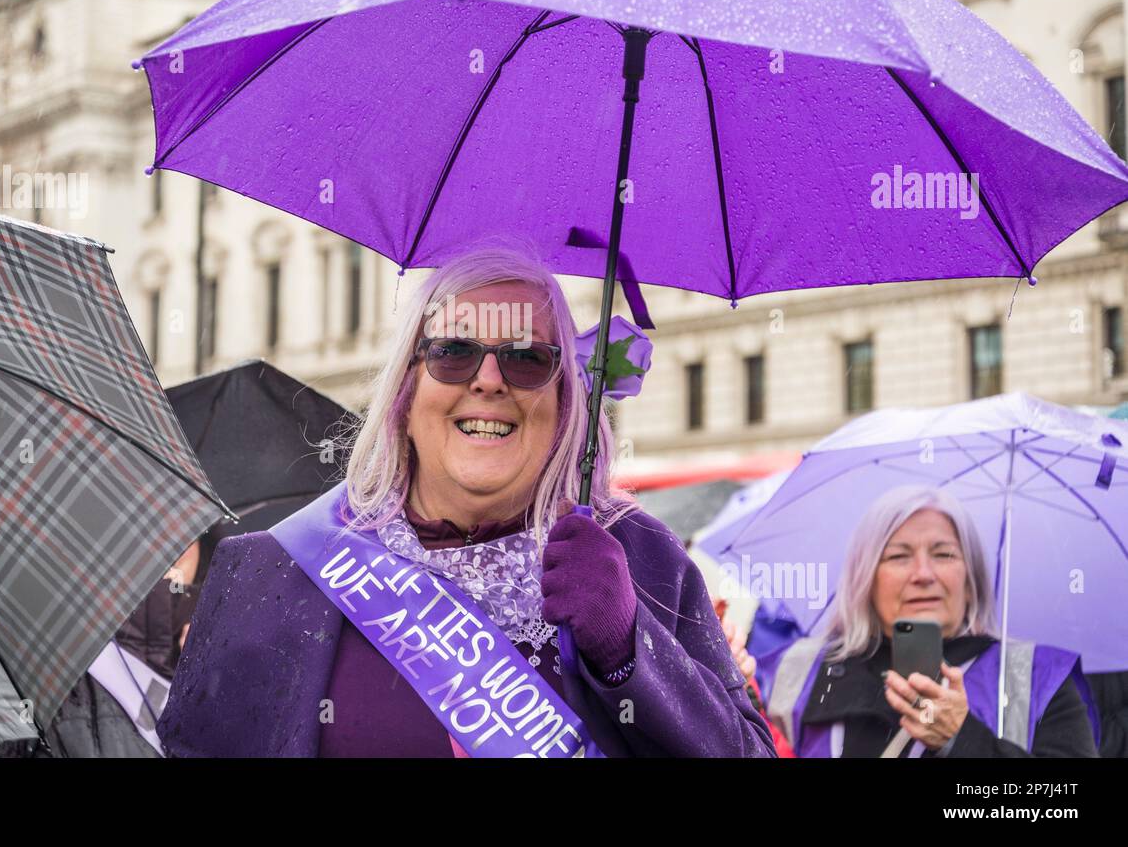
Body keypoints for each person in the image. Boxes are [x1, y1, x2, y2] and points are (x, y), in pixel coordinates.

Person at [156, 245, 775, 757]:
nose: (488, 379)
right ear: (406, 387)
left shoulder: (637, 559)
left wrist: (627, 649)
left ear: (565, 400)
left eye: (527, 358)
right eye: (453, 352)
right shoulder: (271, 573)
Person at [755, 484, 1100, 757]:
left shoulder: (1034, 675)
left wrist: (962, 739)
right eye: (899, 556)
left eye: (943, 554)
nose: (923, 574)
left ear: (970, 577)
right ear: (866, 580)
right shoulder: (800, 669)